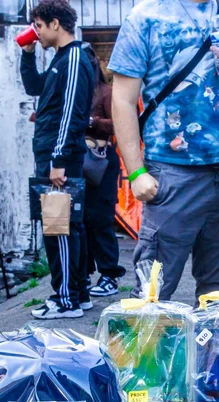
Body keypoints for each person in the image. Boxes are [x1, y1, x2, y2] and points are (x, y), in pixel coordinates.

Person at [109, 0, 219, 301]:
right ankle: (148, 335)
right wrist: (136, 172)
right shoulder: (145, 16)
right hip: (172, 172)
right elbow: (123, 100)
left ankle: (209, 334)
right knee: (153, 291)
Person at [20, 0, 95, 320]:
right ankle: (78, 294)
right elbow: (34, 87)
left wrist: (59, 159)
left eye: (38, 25)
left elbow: (71, 113)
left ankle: (65, 300)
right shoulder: (60, 58)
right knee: (67, 226)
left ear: (55, 23)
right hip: (53, 155)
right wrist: (27, 55)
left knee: (59, 228)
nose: (35, 32)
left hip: (59, 157)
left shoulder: (74, 57)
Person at [83, 45, 125, 299]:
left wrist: (91, 121)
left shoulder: (106, 92)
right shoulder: (72, 92)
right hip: (77, 161)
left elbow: (119, 124)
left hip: (100, 161)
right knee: (80, 220)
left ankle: (109, 274)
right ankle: (85, 273)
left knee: (100, 219)